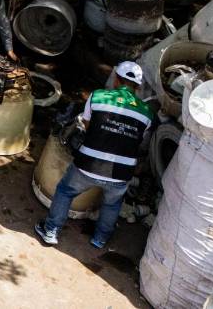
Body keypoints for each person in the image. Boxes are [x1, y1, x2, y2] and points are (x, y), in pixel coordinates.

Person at [36, 61, 151, 249]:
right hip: (120, 172)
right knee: (112, 205)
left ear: (116, 79)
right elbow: (138, 139)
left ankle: (51, 231)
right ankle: (100, 239)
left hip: (89, 164)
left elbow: (87, 126)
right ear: (137, 87)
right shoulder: (147, 112)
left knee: (65, 191)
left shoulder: (98, 96)